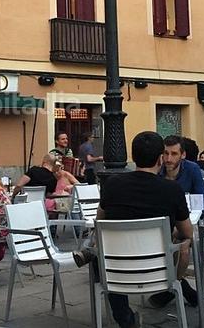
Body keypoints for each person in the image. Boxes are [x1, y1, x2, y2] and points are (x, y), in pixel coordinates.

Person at [73, 131, 194, 327]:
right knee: (185, 242)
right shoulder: (172, 190)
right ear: (160, 159)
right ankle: (176, 290)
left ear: (133, 157)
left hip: (116, 272)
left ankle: (125, 319)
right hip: (158, 271)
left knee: (99, 251)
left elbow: (100, 221)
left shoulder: (112, 185)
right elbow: (188, 233)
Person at [159, 135, 204, 214]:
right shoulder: (157, 168)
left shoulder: (192, 169)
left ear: (183, 155)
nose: (168, 159)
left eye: (174, 154)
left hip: (186, 219)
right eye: (166, 153)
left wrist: (189, 213)